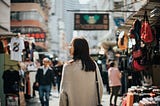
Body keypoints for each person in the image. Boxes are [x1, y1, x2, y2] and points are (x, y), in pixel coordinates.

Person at [59, 37, 103, 106]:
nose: (69, 47)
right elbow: (100, 88)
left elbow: (63, 92)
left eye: (71, 45)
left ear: (77, 48)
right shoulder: (93, 65)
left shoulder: (68, 67)